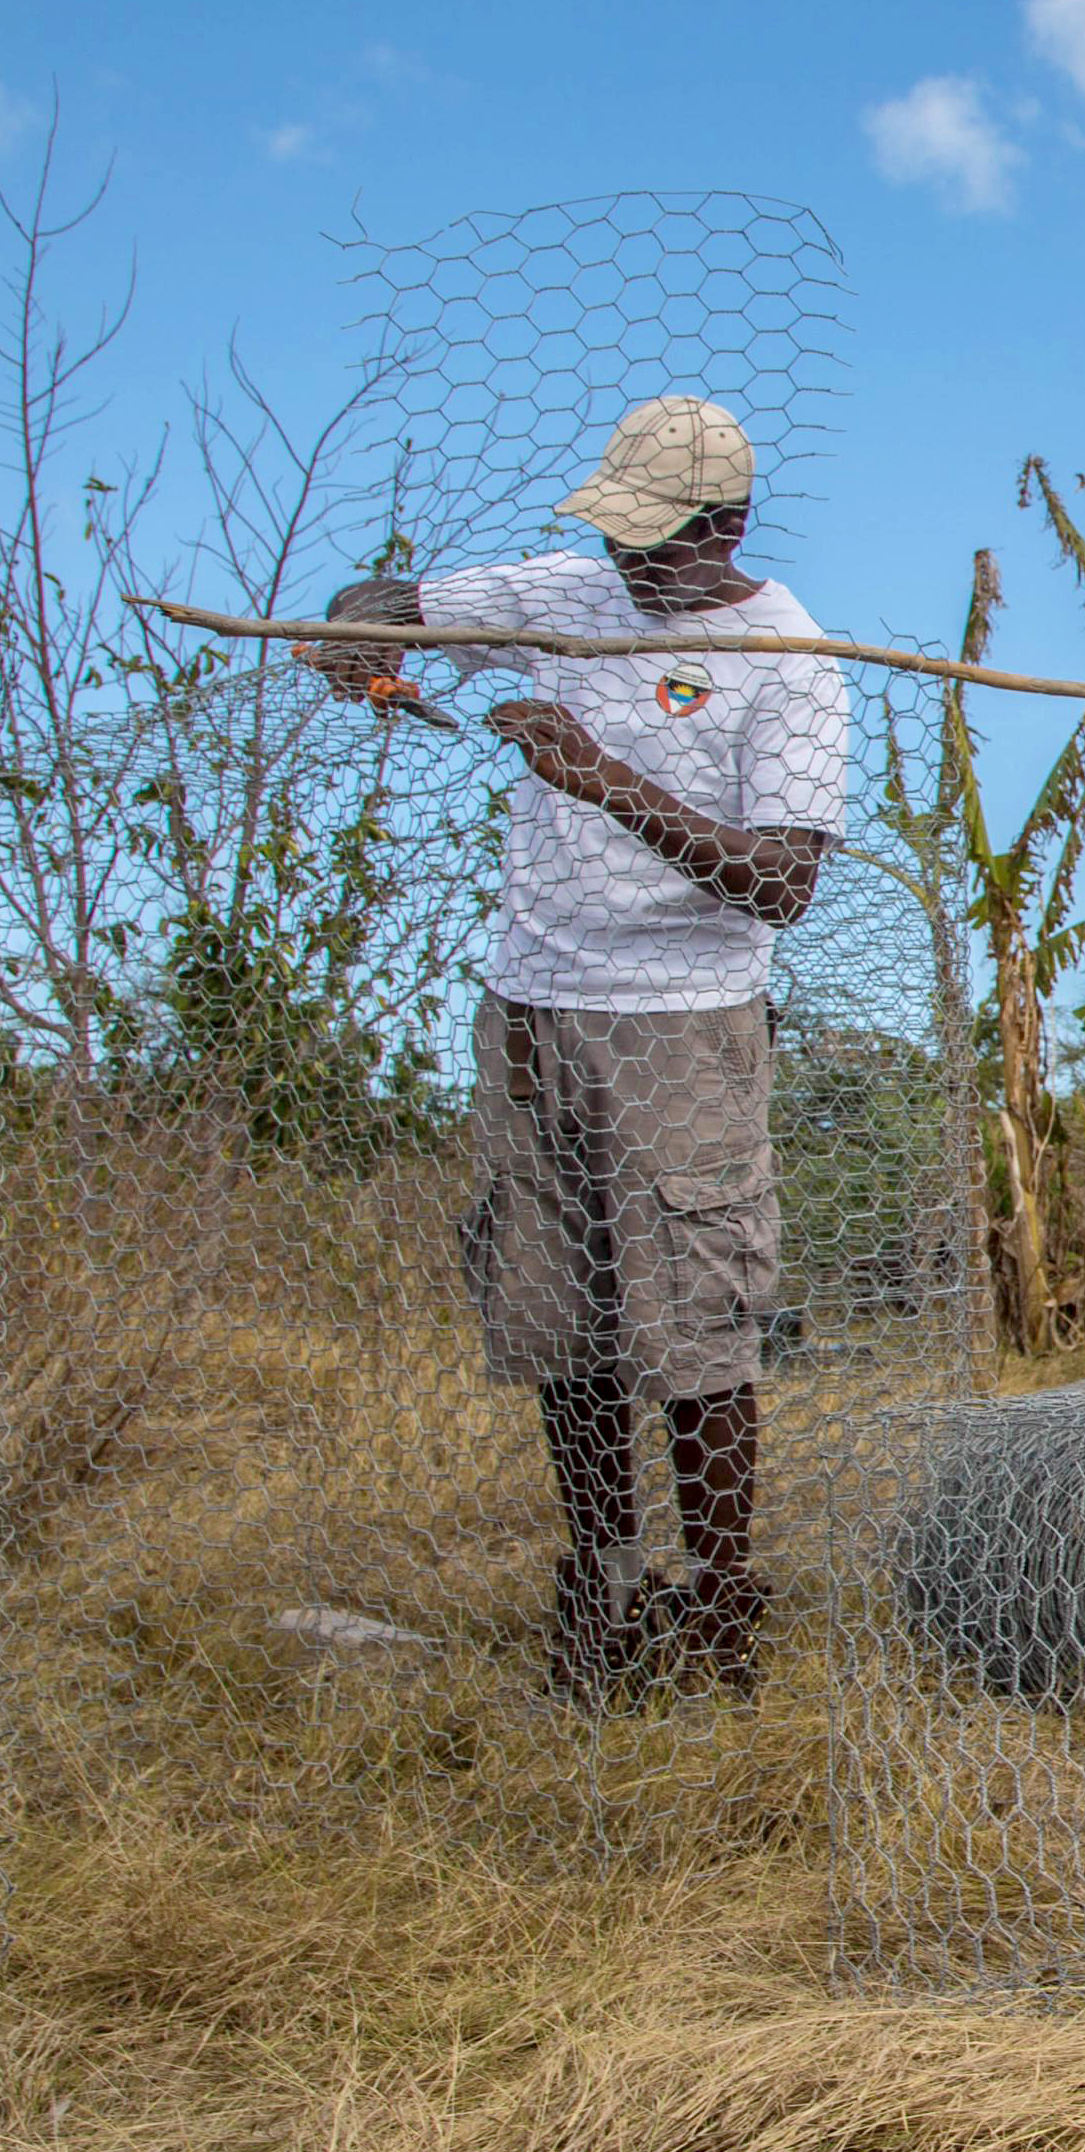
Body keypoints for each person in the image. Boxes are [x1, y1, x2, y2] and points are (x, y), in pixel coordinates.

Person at [306, 394, 849, 1699]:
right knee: (566, 1320)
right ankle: (605, 1594)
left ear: (727, 526)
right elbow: (390, 599)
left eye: (655, 540)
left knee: (695, 1333)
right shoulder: (561, 588)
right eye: (616, 534)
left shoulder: (788, 657)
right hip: (532, 1011)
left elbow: (783, 882)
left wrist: (603, 775)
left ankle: (720, 1621)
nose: (625, 562)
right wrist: (355, 634)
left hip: (682, 1029)